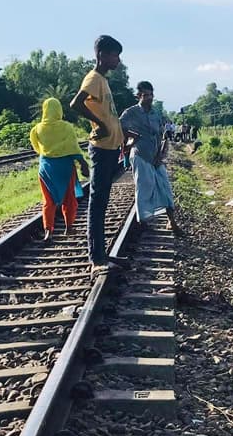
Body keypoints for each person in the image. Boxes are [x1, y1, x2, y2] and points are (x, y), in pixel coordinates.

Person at [70, 35, 125, 272]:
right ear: (101, 55)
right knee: (97, 203)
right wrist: (100, 126)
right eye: (115, 55)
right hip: (101, 149)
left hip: (110, 148)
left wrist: (120, 132)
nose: (118, 60)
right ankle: (97, 259)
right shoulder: (93, 79)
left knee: (101, 203)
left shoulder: (102, 80)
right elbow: (76, 104)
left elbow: (107, 113)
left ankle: (101, 255)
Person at [120, 81, 183, 235]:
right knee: (144, 189)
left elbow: (163, 136)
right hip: (140, 155)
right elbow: (118, 127)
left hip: (156, 157)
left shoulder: (156, 114)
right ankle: (143, 222)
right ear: (138, 96)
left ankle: (171, 221)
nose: (149, 98)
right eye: (146, 95)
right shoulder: (131, 113)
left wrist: (161, 154)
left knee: (165, 187)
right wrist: (131, 139)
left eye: (151, 95)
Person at [30, 98, 90, 244]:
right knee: (69, 199)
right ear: (59, 110)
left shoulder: (37, 128)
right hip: (65, 168)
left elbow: (36, 147)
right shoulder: (66, 127)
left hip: (46, 169)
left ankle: (48, 231)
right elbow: (73, 148)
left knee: (48, 201)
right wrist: (83, 163)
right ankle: (69, 227)